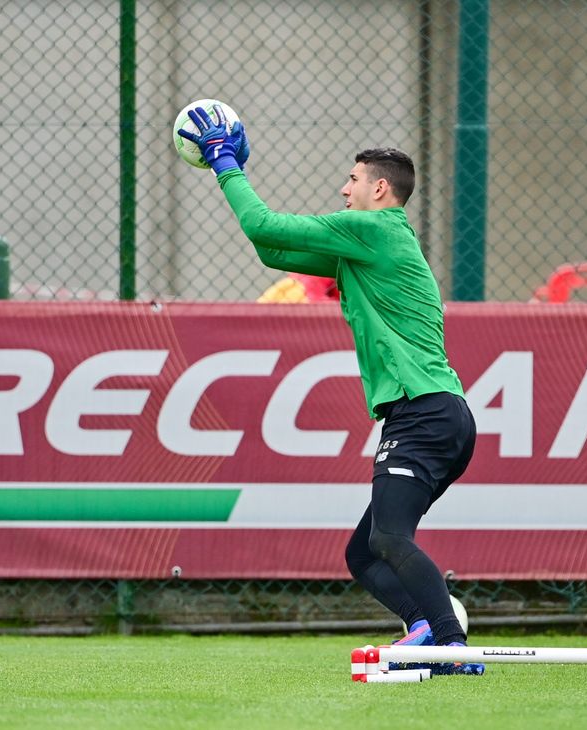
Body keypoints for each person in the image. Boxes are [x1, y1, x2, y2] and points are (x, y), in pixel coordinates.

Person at [179, 106, 482, 675]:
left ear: (379, 189)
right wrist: (233, 173)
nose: (344, 189)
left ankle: (450, 643)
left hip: (424, 411)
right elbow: (271, 249)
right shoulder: (365, 245)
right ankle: (424, 628)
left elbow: (264, 225)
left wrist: (225, 165)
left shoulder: (373, 229)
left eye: (352, 179)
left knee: (391, 539)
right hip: (436, 413)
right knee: (363, 553)